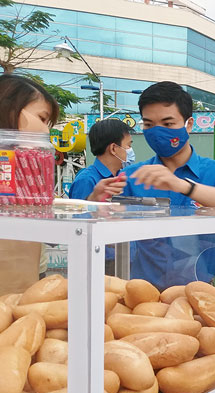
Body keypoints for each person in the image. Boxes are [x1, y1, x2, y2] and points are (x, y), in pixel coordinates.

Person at [121, 81, 215, 289]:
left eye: (168, 124)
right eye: (149, 125)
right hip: (142, 291)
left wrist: (182, 185)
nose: (157, 132)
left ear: (189, 124)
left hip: (200, 288)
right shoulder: (132, 176)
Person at [0, 74, 60, 291]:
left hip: (30, 275)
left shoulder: (31, 163)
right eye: (42, 119)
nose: (46, 130)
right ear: (10, 110)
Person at [70, 119, 134, 202]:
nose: (131, 150)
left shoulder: (119, 178)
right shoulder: (86, 181)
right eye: (128, 145)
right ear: (113, 148)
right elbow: (79, 213)